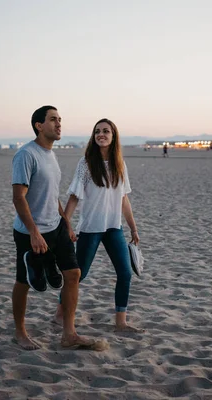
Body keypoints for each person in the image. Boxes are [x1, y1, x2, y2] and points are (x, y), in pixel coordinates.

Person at [11, 105, 96, 351]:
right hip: (30, 231)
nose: (59, 124)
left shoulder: (51, 154)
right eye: (52, 120)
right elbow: (19, 198)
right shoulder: (26, 155)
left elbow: (52, 195)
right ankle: (20, 332)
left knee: (73, 274)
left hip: (56, 226)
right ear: (39, 125)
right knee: (24, 282)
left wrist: (66, 223)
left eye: (60, 120)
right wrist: (35, 233)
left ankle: (69, 333)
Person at [54, 118, 143, 333]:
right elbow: (75, 196)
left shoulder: (120, 164)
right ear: (93, 137)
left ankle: (121, 322)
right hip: (91, 228)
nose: (101, 135)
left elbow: (123, 198)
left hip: (114, 227)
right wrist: (66, 224)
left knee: (125, 273)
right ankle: (59, 314)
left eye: (105, 131)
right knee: (79, 275)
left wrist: (133, 227)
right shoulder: (86, 163)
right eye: (97, 132)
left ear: (113, 136)